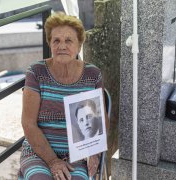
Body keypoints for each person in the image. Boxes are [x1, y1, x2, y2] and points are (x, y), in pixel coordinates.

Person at [18, 12, 109, 180]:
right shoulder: (37, 72)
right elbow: (28, 124)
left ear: (79, 45)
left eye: (69, 40)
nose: (62, 46)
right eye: (56, 40)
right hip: (38, 153)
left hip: (76, 156)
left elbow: (100, 121)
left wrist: (94, 153)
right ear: (50, 44)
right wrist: (53, 161)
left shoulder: (92, 74)